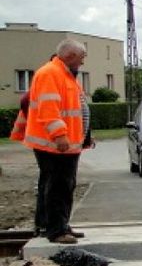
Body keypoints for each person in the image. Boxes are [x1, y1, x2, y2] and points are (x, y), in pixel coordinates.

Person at [20, 38, 94, 244]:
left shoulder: (64, 74)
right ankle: (56, 230)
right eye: (82, 58)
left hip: (64, 143)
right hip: (54, 144)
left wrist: (85, 135)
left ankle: (51, 225)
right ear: (70, 56)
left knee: (56, 185)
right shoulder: (50, 74)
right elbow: (49, 109)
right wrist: (59, 135)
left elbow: (76, 109)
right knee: (58, 186)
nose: (83, 62)